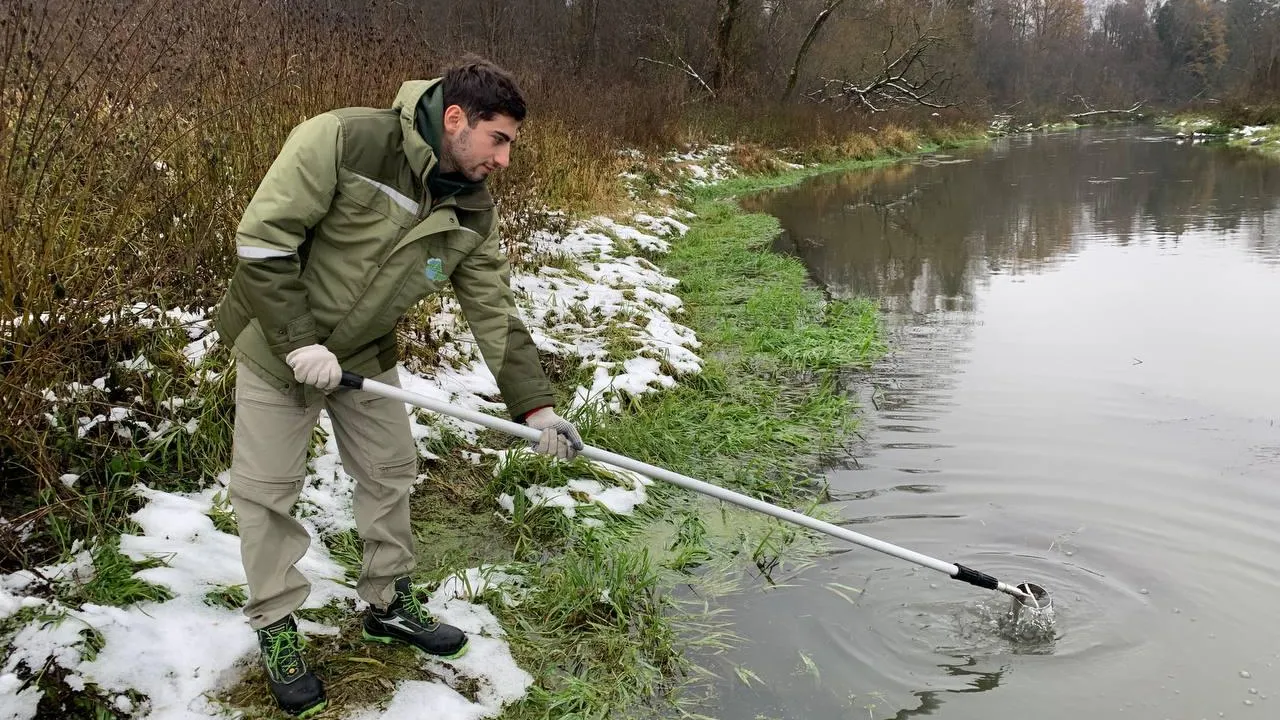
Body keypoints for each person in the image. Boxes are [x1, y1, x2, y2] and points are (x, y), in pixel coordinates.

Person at [212, 57, 583, 718]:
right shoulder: (342, 140)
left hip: (363, 352)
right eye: (498, 140)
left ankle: (388, 604)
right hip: (276, 343)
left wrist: (539, 407)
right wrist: (298, 341)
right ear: (455, 119)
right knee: (267, 492)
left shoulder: (472, 209)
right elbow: (263, 240)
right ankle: (275, 625)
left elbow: (494, 311)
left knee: (390, 470)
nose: (504, 159)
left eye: (511, 146)